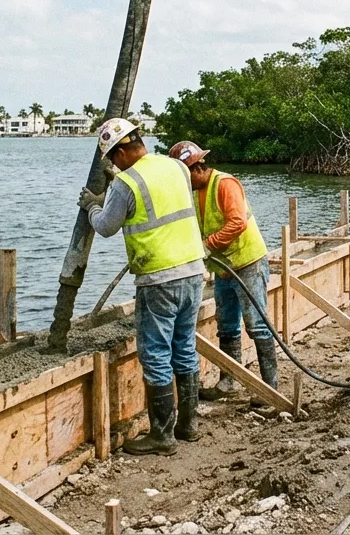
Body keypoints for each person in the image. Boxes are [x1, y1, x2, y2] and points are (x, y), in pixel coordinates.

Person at [78, 118, 206, 455]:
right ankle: (188, 426)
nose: (113, 165)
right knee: (184, 347)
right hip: (193, 271)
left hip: (159, 278)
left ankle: (162, 436)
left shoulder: (126, 183)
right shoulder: (176, 167)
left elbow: (106, 226)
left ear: (121, 151)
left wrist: (92, 205)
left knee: (156, 354)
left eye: (113, 158)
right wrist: (113, 184)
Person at [168, 141, 279, 403]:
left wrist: (208, 245)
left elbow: (237, 222)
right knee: (227, 326)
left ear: (196, 169)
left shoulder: (225, 184)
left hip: (247, 263)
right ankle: (230, 381)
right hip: (223, 269)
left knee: (257, 326)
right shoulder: (195, 193)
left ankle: (269, 389)